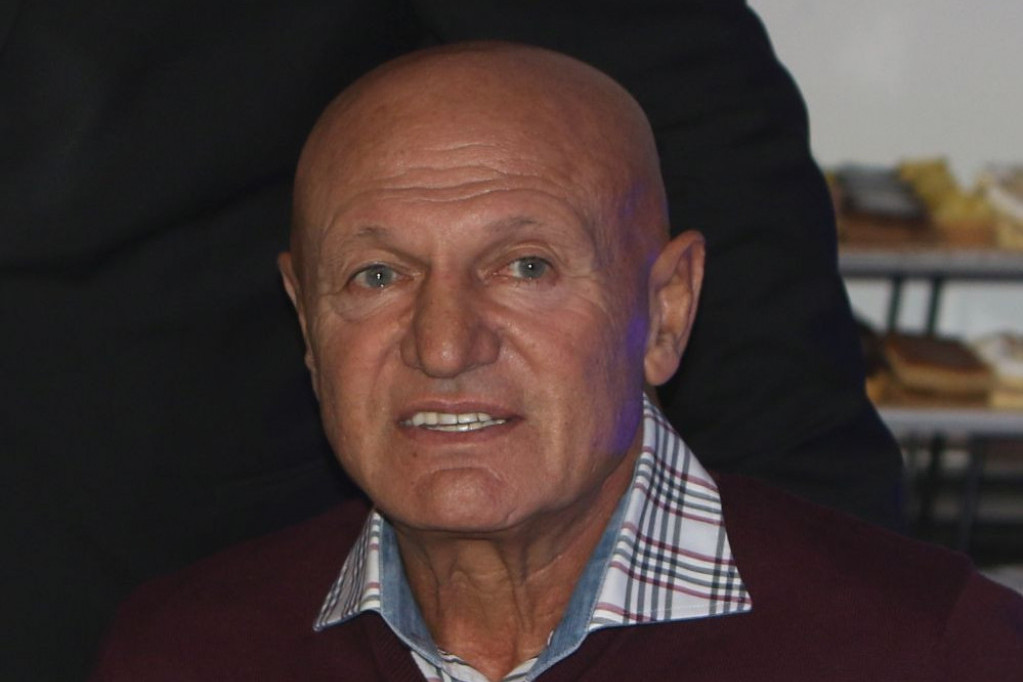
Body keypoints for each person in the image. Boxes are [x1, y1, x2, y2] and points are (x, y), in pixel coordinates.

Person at [3, 3, 902, 679]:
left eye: (525, 268)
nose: (443, 344)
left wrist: (832, 602)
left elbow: (695, 121)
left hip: (174, 509)